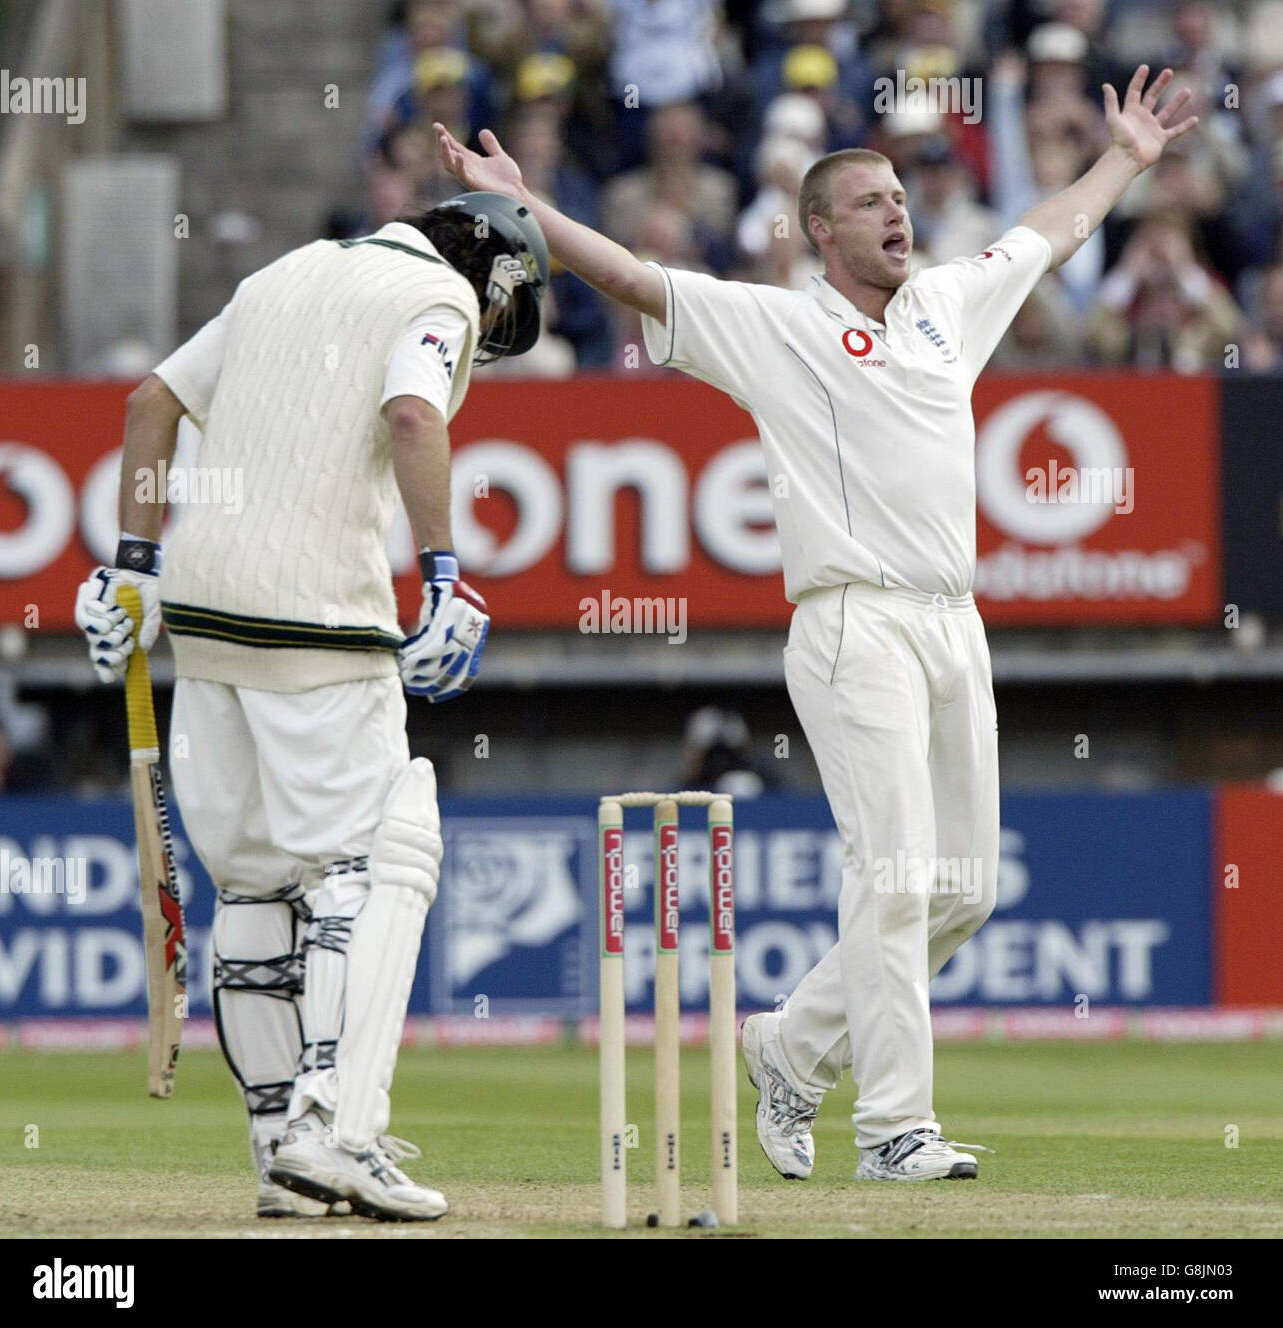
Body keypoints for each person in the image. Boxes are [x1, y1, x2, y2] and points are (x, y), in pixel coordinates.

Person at [436, 61, 1197, 1183]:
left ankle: (787, 1049)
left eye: (900, 198)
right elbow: (638, 280)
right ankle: (894, 1127)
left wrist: (1122, 161)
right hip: (851, 624)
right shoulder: (775, 326)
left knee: (962, 889)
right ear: (816, 232)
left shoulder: (944, 309)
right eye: (871, 203)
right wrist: (524, 207)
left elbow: (1047, 234)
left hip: (952, 622)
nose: (898, 212)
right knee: (890, 873)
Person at [73, 191, 549, 1221]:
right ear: (493, 276)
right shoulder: (436, 294)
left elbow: (149, 400)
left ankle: (277, 1154)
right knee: (378, 857)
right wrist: (444, 578)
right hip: (317, 621)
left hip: (201, 620)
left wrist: (133, 569)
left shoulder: (276, 275)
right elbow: (414, 413)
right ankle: (335, 1128)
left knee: (252, 887)